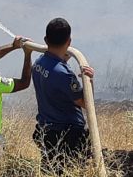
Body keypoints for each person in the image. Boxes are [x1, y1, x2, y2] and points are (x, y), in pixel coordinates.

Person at [32, 18, 94, 175]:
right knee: (76, 171)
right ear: (69, 41)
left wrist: (62, 59)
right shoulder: (64, 74)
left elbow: (53, 79)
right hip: (69, 136)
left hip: (47, 132)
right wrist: (89, 81)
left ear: (46, 40)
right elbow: (86, 103)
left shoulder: (38, 63)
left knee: (50, 171)